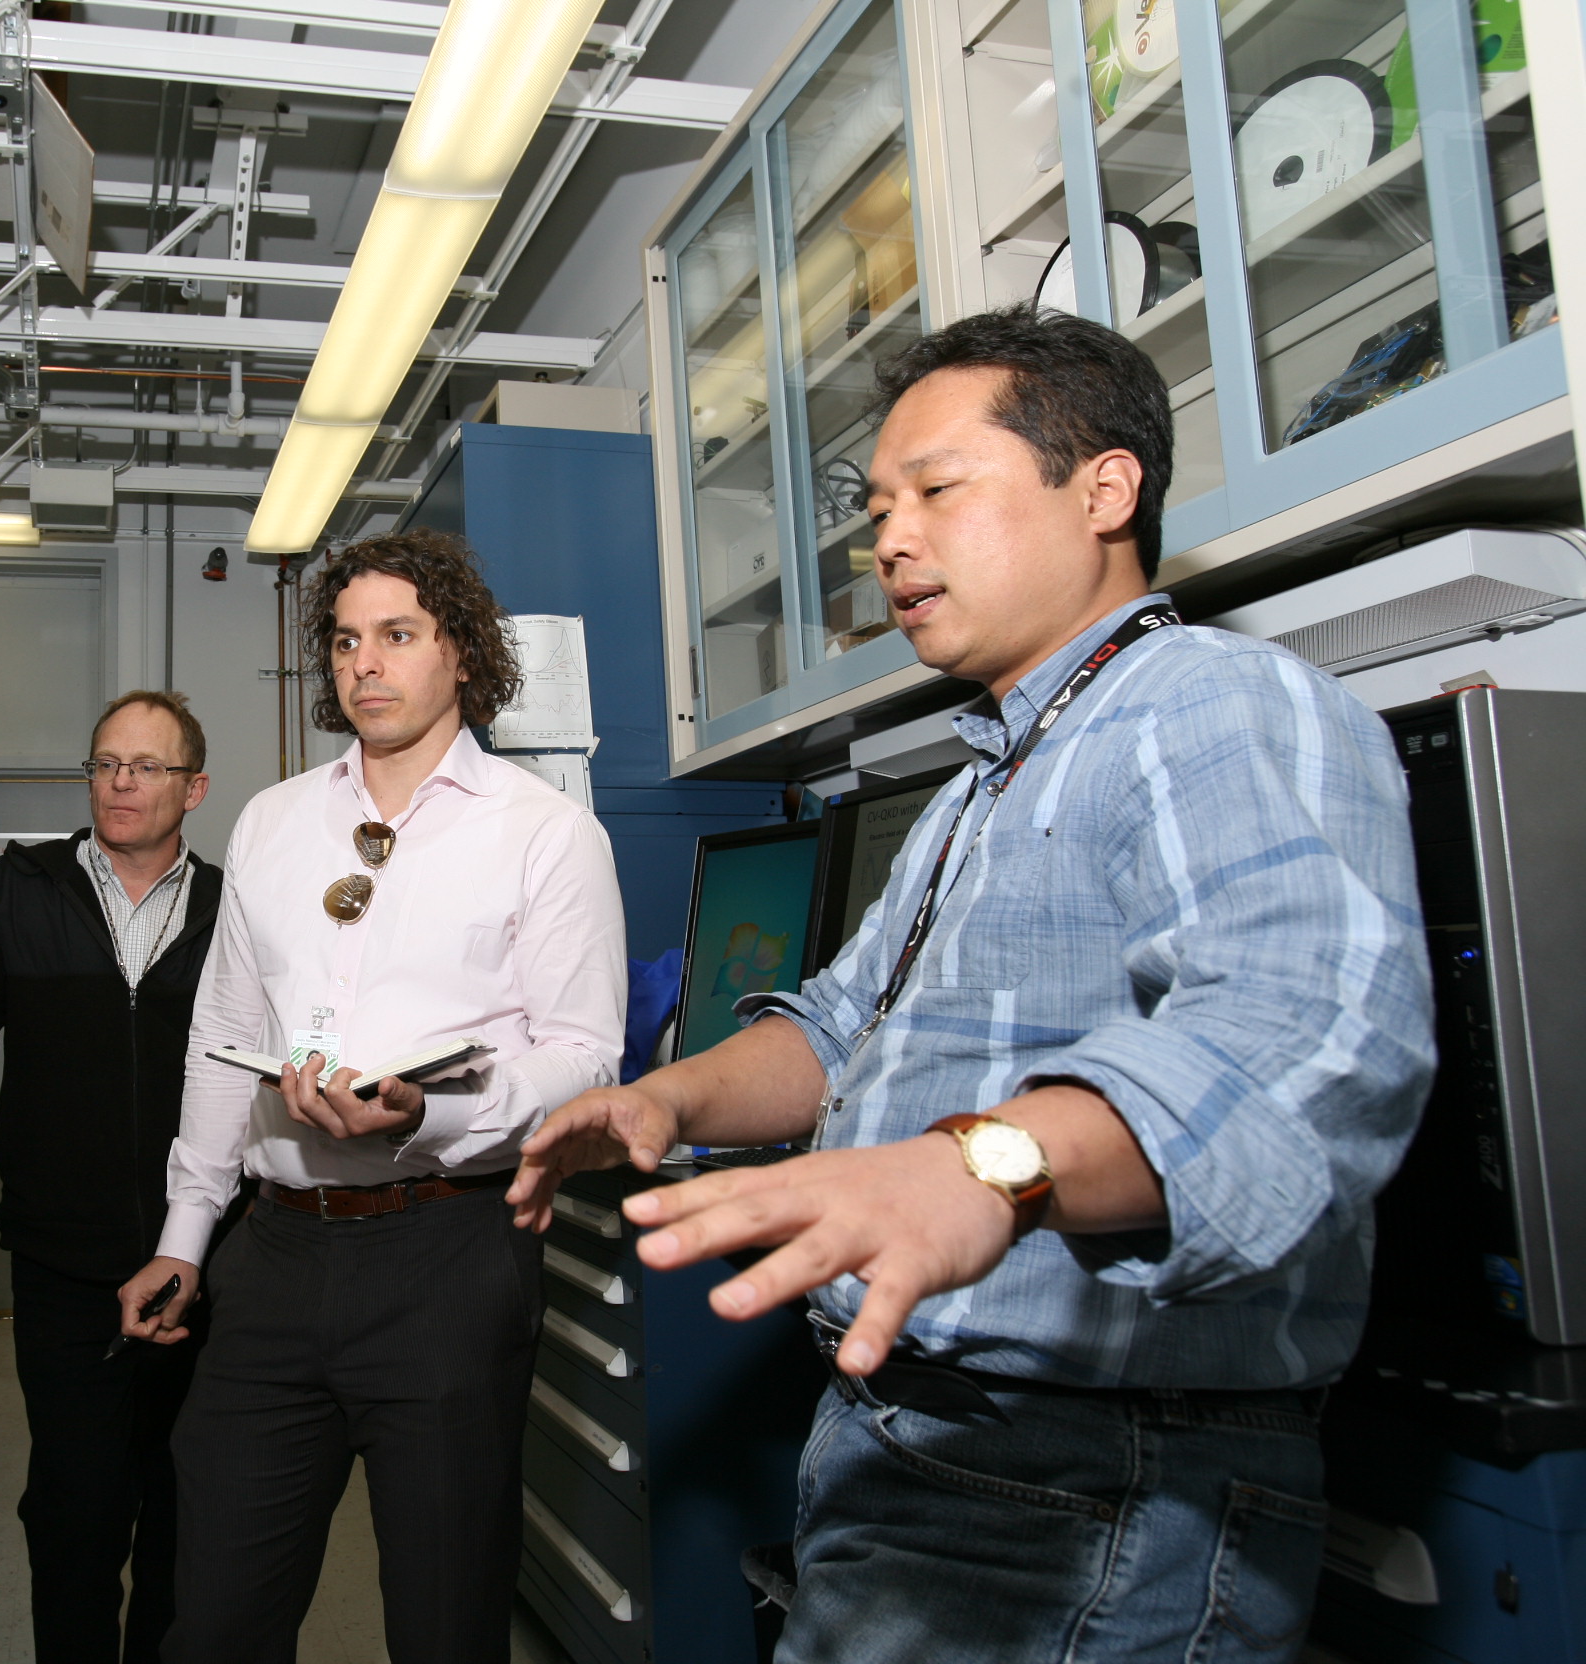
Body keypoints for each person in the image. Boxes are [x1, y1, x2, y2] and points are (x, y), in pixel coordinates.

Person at [510, 304, 1435, 1663]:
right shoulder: (982, 784)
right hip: (917, 1444)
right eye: (879, 508)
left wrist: (985, 1163)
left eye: (937, 491)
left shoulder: (1213, 704)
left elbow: (1308, 1046)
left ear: (1104, 487)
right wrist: (666, 1097)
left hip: (1091, 1476)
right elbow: (838, 1030)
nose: (890, 540)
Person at [118, 529, 626, 1664]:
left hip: (448, 1254)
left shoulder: (544, 833)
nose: (365, 663)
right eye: (346, 639)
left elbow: (587, 1054)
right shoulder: (274, 821)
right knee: (216, 1616)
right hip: (276, 1258)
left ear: (462, 654)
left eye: (398, 634)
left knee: (446, 1620)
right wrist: (186, 1237)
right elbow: (223, 1039)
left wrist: (428, 1113)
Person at [0, 690, 221, 1664]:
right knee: (74, 1505)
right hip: (64, 1267)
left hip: (202, 1267)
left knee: (187, 1503)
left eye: (147, 765)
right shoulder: (19, 891)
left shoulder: (234, 910)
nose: (121, 781)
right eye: (106, 762)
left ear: (194, 785)